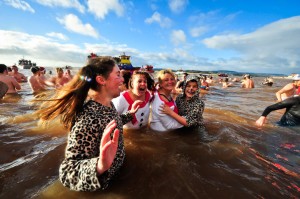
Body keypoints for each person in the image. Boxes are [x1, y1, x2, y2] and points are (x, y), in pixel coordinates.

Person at [36, 56, 142, 191]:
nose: (122, 79)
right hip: (105, 187)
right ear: (101, 80)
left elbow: (112, 123)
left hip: (118, 174)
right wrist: (99, 165)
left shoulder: (107, 104)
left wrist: (130, 114)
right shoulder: (89, 117)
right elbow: (68, 172)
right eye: (117, 75)